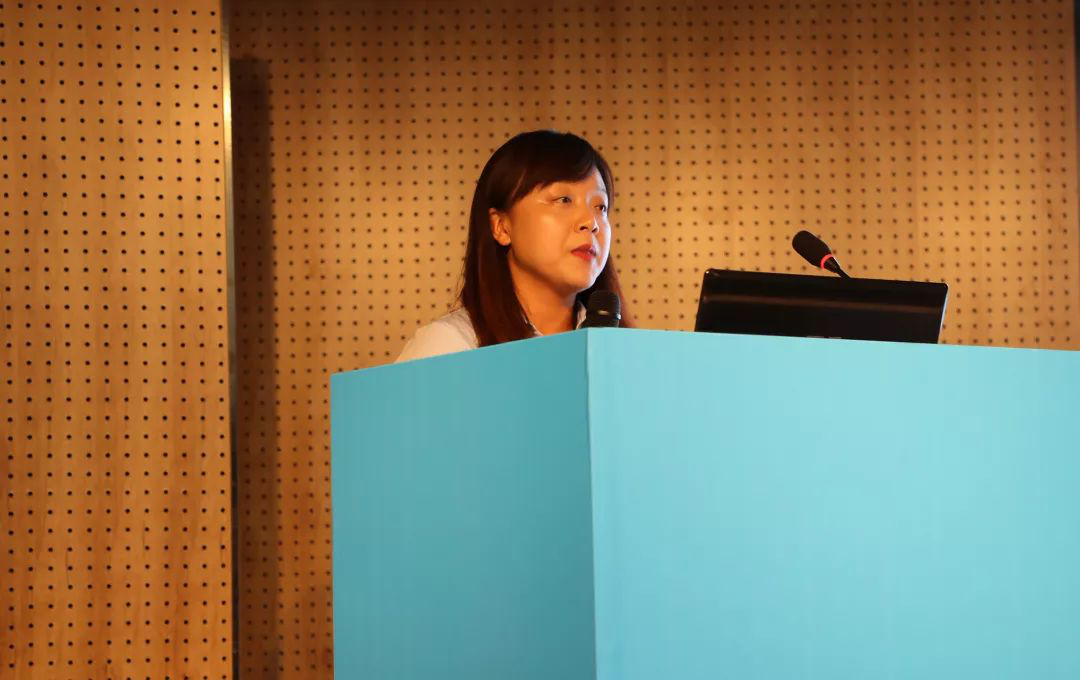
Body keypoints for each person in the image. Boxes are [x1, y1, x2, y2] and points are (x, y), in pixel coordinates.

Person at [395, 130, 634, 363]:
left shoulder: (626, 352)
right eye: (563, 200)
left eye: (601, 207)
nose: (591, 222)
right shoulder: (449, 347)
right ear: (501, 226)